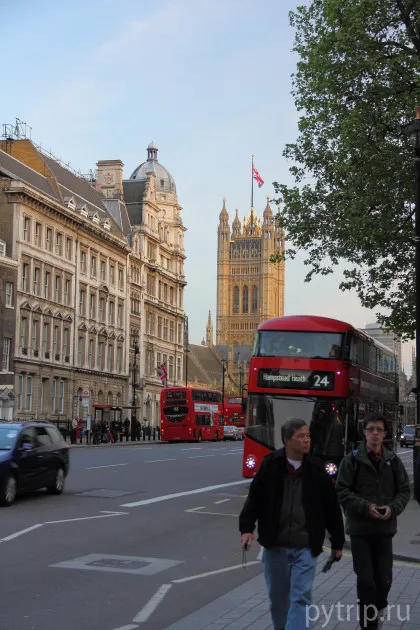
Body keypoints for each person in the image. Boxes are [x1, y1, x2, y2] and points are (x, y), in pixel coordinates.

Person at [239, 418, 344, 630]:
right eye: (301, 436)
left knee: (301, 597)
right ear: (287, 440)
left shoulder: (316, 469)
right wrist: (247, 529)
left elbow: (331, 508)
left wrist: (337, 542)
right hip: (275, 546)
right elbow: (255, 499)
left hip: (305, 546)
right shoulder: (271, 465)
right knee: (278, 602)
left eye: (308, 435)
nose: (307, 440)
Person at [336, 412, 410, 629]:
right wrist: (366, 507)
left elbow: (403, 491)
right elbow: (342, 491)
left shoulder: (393, 461)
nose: (375, 433)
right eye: (371, 429)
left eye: (379, 429)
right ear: (364, 432)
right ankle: (368, 625)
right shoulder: (351, 461)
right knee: (366, 581)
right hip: (360, 531)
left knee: (384, 582)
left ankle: (379, 608)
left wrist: (392, 508)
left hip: (385, 531)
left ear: (385, 433)